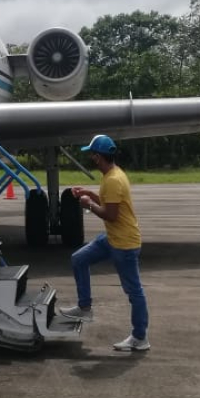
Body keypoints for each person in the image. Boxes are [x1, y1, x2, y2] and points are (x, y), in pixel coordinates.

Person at [57, 134, 149, 352]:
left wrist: (88, 204)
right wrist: (89, 194)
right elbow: (109, 204)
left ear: (98, 157)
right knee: (79, 259)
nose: (91, 158)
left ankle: (140, 337)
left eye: (92, 154)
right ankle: (84, 307)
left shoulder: (114, 180)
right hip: (113, 239)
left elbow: (111, 215)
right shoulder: (112, 175)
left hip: (124, 244)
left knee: (134, 292)